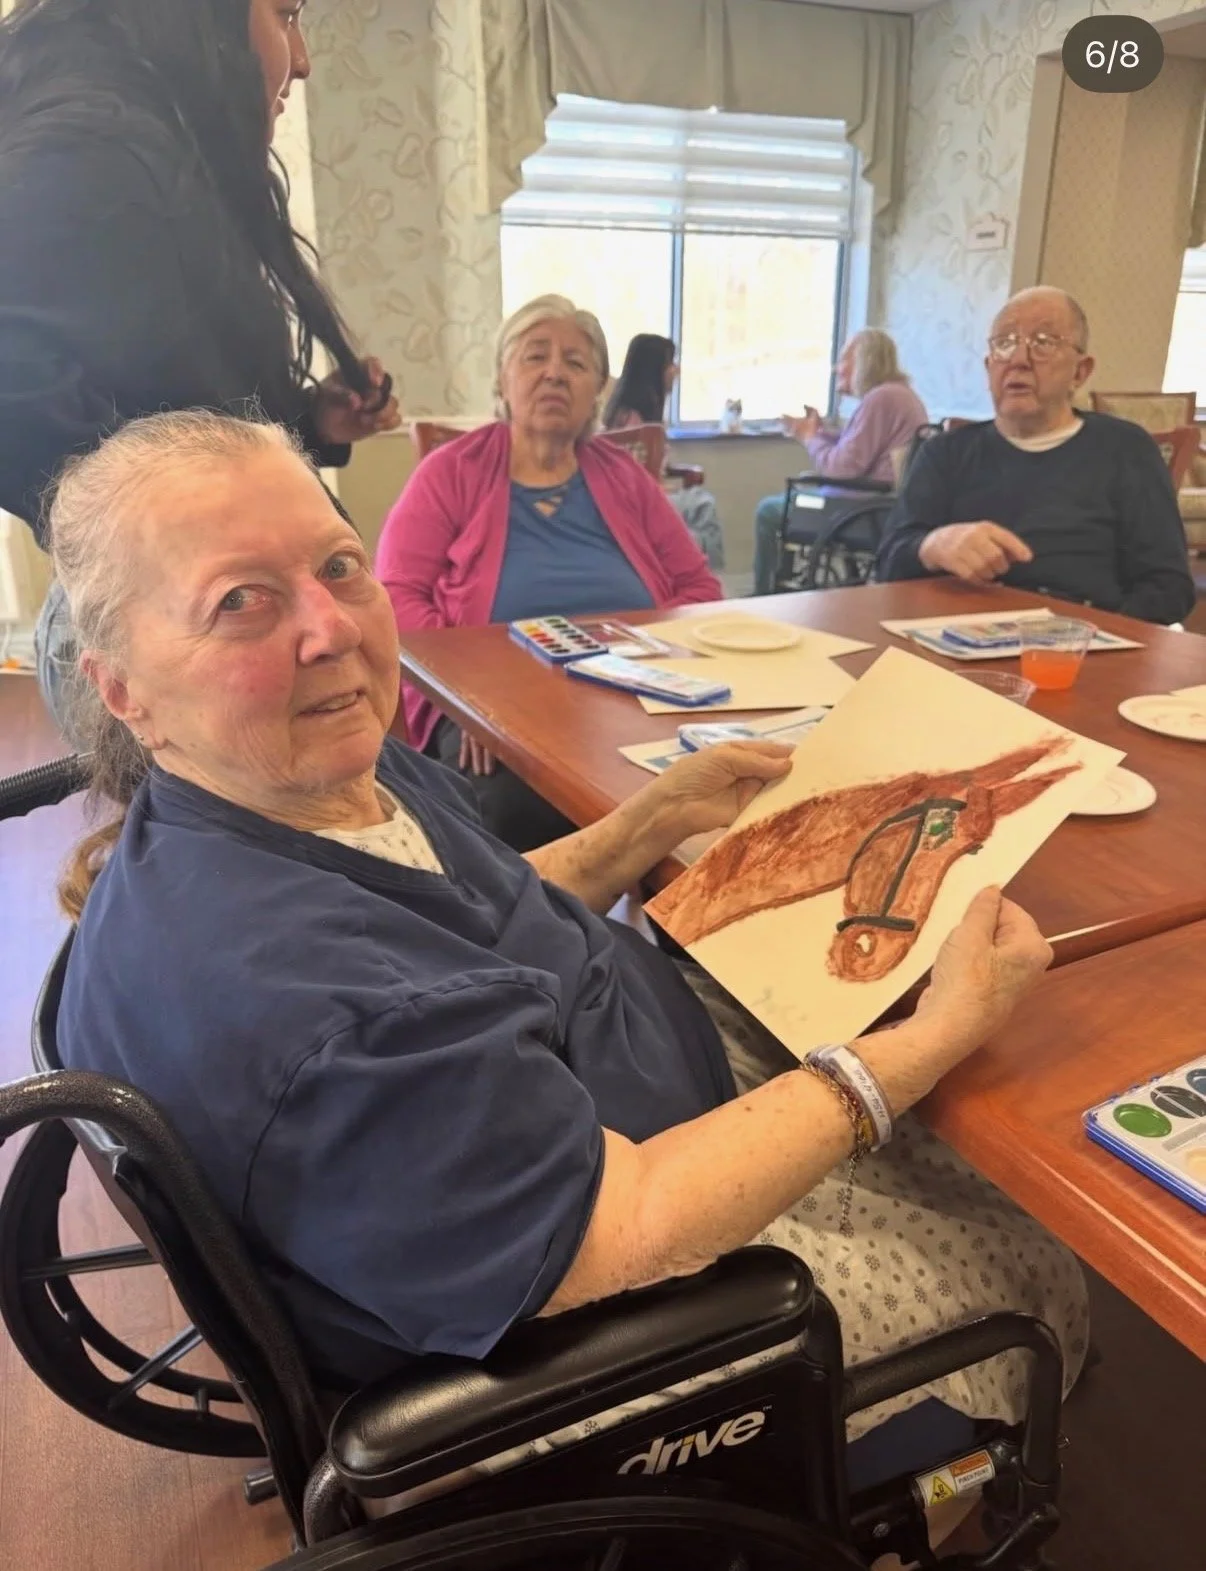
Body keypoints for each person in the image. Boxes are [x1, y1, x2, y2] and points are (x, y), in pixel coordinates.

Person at [52, 409, 1086, 1496]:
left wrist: (648, 822)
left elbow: (462, 914)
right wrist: (933, 1035)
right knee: (1038, 1260)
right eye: (240, 601)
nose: (331, 628)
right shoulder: (321, 1011)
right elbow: (634, 1219)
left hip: (614, 1078)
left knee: (975, 1115)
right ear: (124, 689)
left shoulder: (310, 770)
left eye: (339, 565)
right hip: (613, 1292)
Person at [0, 0, 401, 727]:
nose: (302, 58)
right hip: (180, 633)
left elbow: (176, 412)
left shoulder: (151, 163)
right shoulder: (91, 157)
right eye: (286, 15)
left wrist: (309, 418)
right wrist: (159, 554)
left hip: (207, 620)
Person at [376, 296, 722, 851]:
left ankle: (669, 934)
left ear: (596, 393)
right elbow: (397, 594)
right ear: (503, 380)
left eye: (576, 363)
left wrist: (656, 664)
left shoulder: (625, 478)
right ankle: (534, 937)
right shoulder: (452, 471)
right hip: (492, 701)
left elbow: (698, 589)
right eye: (535, 356)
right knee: (508, 807)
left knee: (707, 801)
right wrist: (471, 698)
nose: (555, 372)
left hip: (631, 696)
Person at [876, 288, 1195, 625]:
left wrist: (1089, 640)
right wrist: (932, 545)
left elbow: (1169, 588)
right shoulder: (944, 452)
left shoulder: (1126, 450)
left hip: (1083, 648)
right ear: (989, 367)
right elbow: (888, 565)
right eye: (1004, 343)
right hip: (956, 639)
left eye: (1043, 342)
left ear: (1080, 372)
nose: (1018, 359)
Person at [754, 330, 928, 594]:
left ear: (864, 362)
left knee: (769, 510)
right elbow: (858, 452)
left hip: (859, 511)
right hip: (878, 506)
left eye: (844, 360)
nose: (837, 369)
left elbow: (841, 469)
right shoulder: (900, 396)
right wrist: (820, 434)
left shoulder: (881, 399)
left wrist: (809, 438)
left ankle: (764, 594)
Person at [603, 331, 726, 570]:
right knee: (704, 506)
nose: (676, 370)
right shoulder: (634, 421)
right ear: (653, 369)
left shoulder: (633, 410)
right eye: (670, 363)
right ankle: (706, 573)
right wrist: (661, 486)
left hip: (651, 493)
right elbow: (635, 477)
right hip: (639, 502)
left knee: (699, 507)